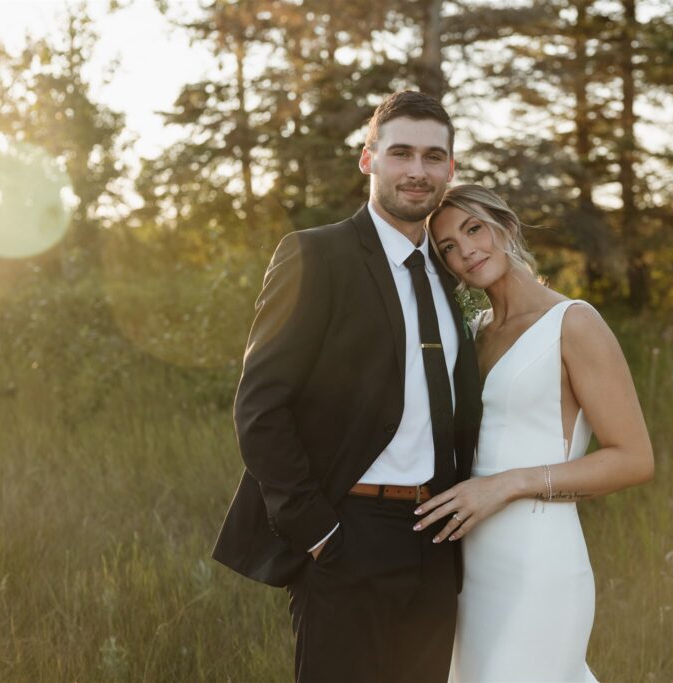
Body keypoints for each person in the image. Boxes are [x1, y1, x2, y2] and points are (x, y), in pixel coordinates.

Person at [211, 92, 482, 683]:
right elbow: (260, 408)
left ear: (451, 170)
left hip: (437, 542)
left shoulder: (452, 272)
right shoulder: (316, 255)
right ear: (369, 160)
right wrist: (320, 535)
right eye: (401, 152)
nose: (417, 170)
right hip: (347, 534)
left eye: (434, 157)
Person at [417, 184, 655, 682]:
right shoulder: (474, 331)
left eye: (474, 229)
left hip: (538, 561)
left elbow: (634, 458)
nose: (467, 251)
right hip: (469, 568)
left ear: (506, 226)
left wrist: (508, 483)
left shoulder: (573, 322)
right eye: (449, 248)